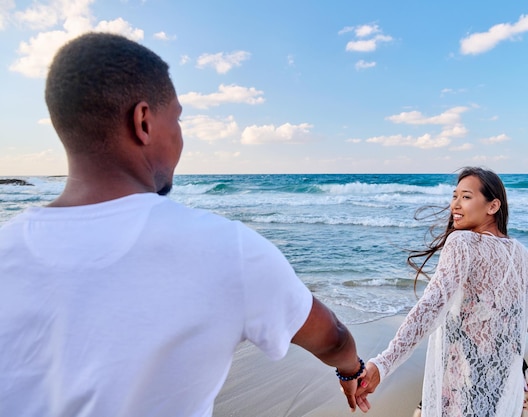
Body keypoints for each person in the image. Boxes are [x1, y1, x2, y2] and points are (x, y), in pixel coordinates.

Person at [0, 32, 366, 416]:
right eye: (176, 119)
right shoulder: (227, 250)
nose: (181, 138)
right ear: (143, 122)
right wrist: (350, 370)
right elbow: (332, 338)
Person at [354, 167, 528, 416]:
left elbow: (429, 308)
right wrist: (495, 320)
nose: (455, 205)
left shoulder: (462, 242)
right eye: (454, 196)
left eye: (466, 197)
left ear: (493, 206)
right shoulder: (523, 254)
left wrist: (383, 364)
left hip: (465, 378)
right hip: (509, 381)